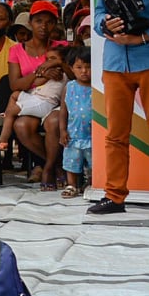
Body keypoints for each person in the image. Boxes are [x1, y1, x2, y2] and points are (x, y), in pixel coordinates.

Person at [0, 46, 68, 186]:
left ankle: (3, 138)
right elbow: (25, 84)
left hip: (46, 103)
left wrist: (51, 68)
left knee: (13, 108)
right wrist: (40, 74)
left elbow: (40, 82)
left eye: (53, 59)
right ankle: (55, 164)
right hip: (38, 99)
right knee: (14, 97)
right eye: (47, 59)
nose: (49, 62)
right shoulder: (48, 72)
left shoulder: (59, 71)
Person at [53, 47, 96, 198]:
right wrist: (63, 130)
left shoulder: (98, 87)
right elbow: (63, 111)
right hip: (74, 134)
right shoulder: (69, 87)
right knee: (71, 161)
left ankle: (91, 184)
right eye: (79, 67)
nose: (84, 71)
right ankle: (71, 184)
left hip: (93, 135)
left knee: (93, 163)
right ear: (71, 68)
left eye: (88, 67)